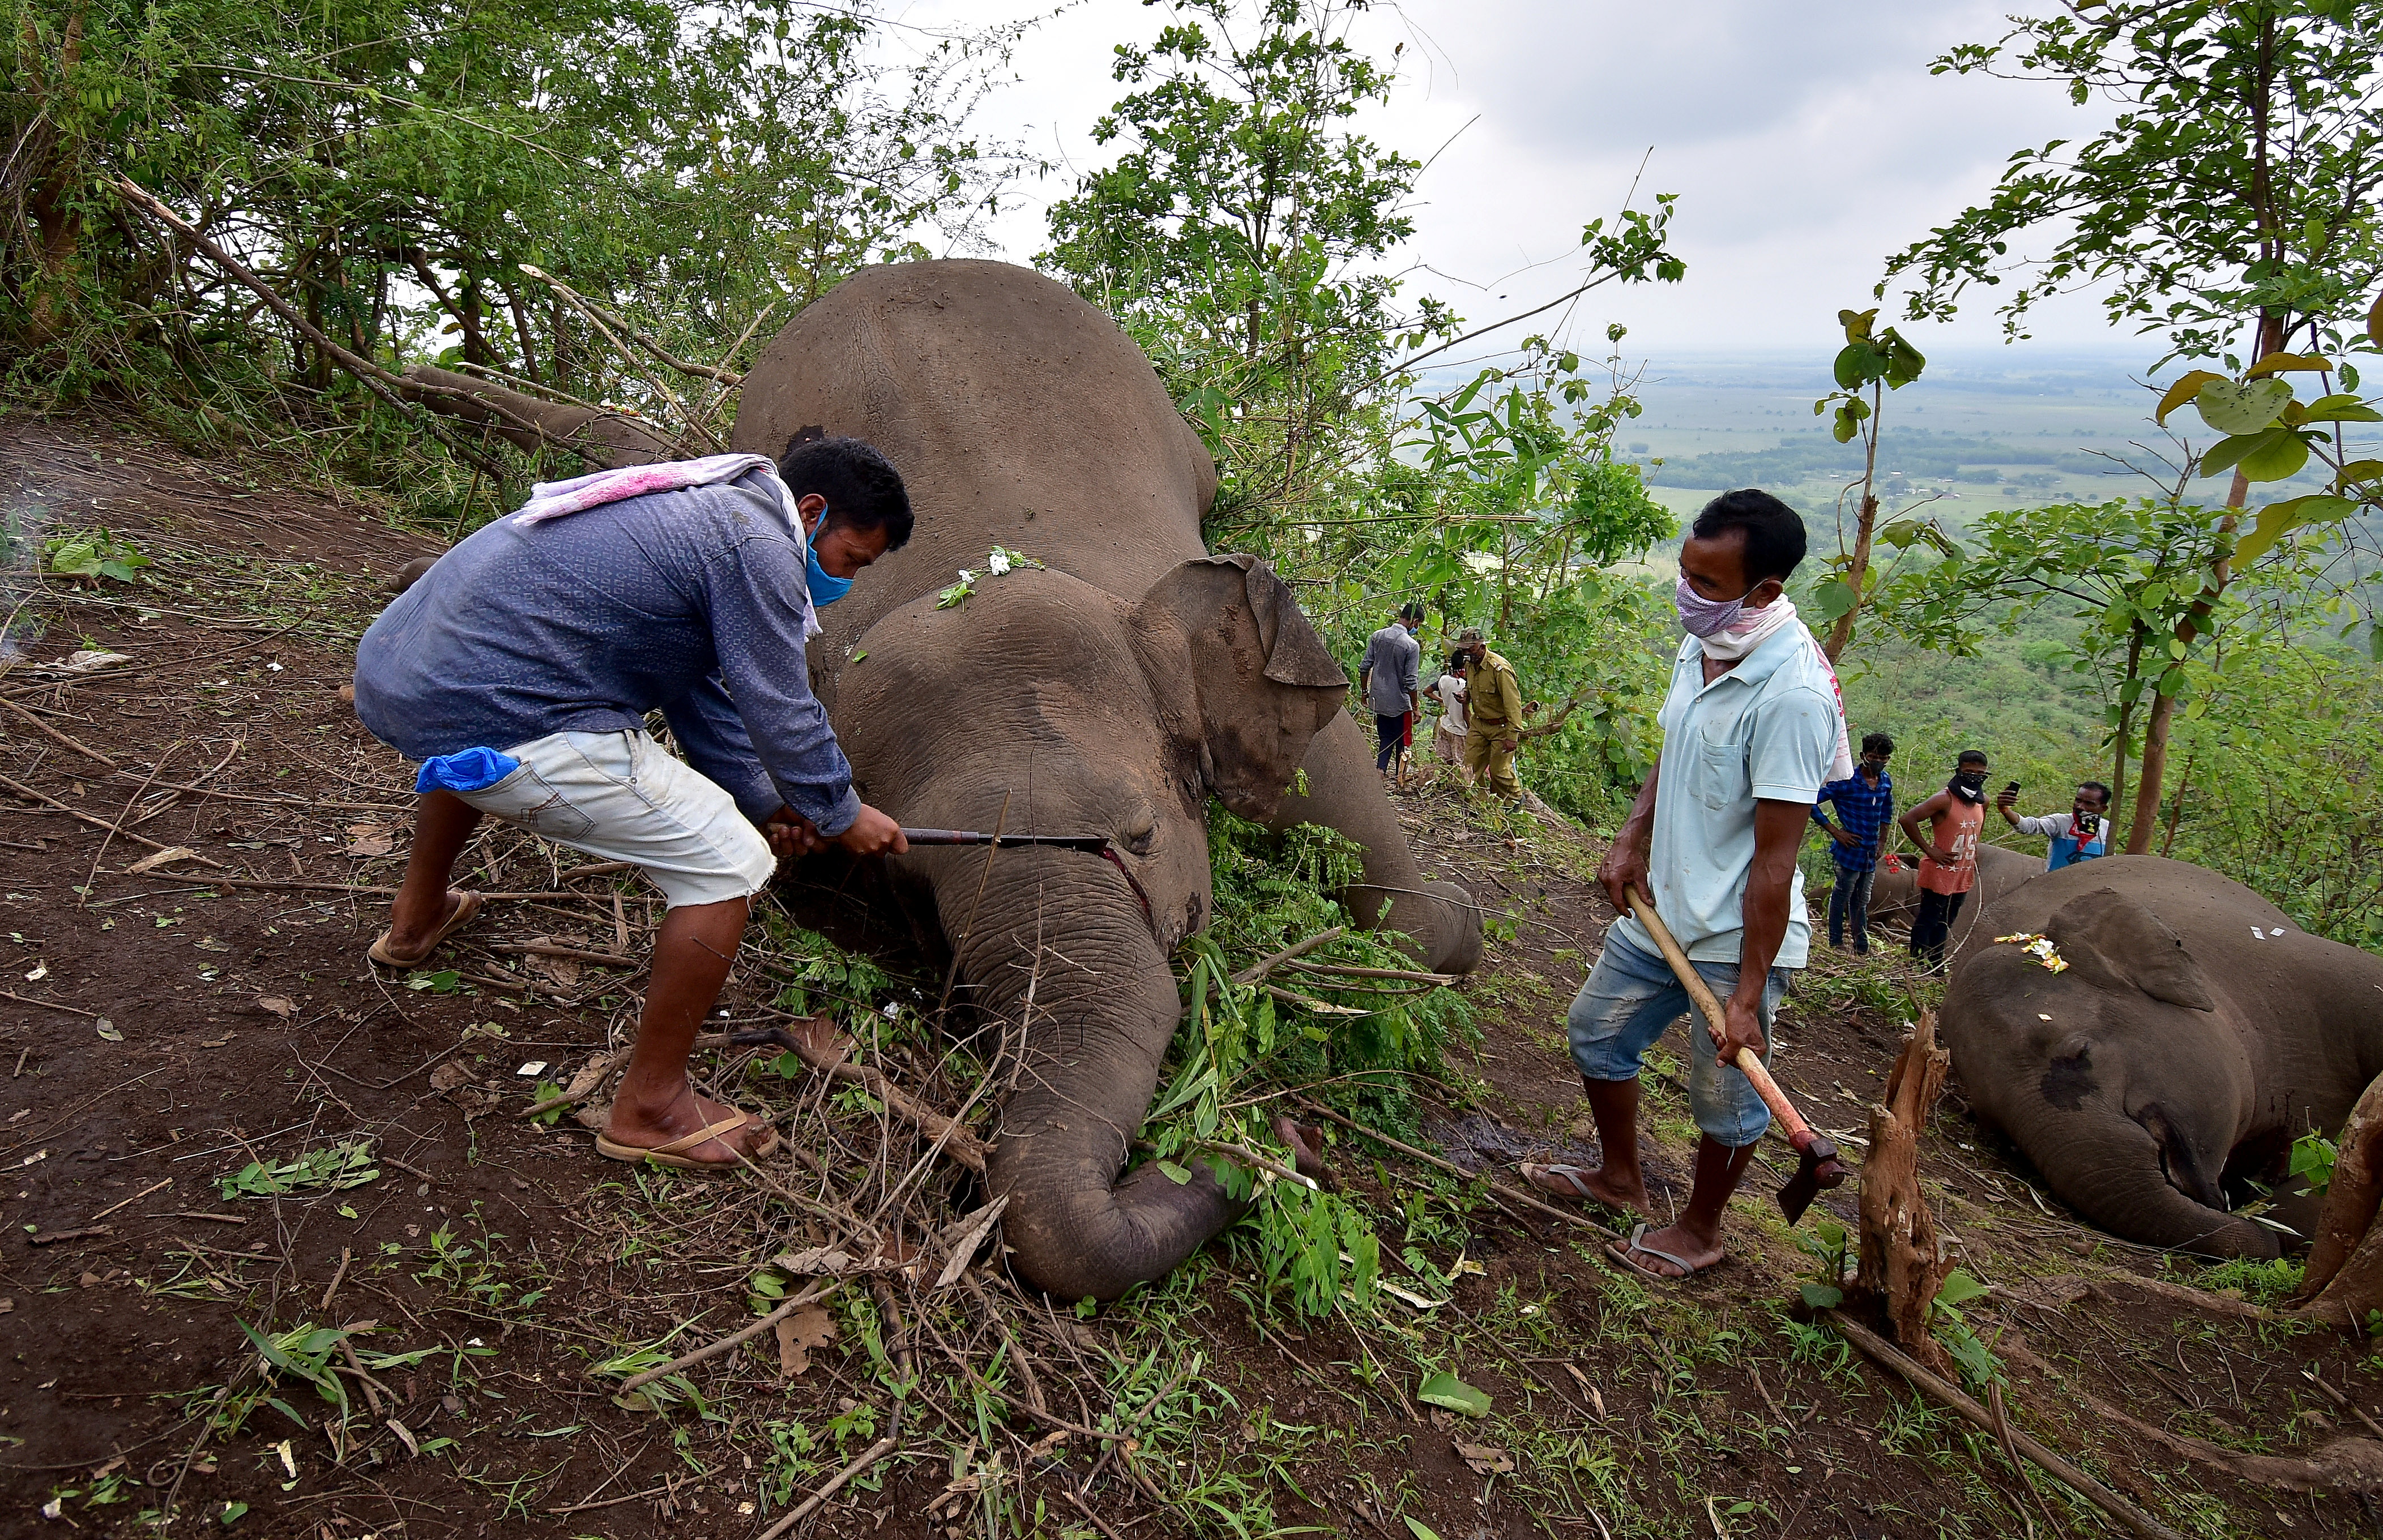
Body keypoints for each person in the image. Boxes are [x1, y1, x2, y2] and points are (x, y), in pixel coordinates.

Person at [352, 437, 913, 1171]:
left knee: (473, 750)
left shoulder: (698, 510)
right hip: (493, 701)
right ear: (812, 513)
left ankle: (415, 918)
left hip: (409, 676)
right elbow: (781, 709)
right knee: (730, 864)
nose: (844, 582)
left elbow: (701, 691)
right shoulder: (759, 542)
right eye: (851, 562)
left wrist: (772, 801)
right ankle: (651, 1107)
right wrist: (841, 812)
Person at [1521, 489, 1846, 1281]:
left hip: (1738, 938)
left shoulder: (1793, 697)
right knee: (1597, 1031)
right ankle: (1620, 1179)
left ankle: (1703, 1230)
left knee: (1726, 1099)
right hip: (1661, 908)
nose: (1686, 592)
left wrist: (1749, 993)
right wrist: (1632, 837)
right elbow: (1681, 743)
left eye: (1707, 582)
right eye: (1685, 571)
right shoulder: (1706, 640)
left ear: (1765, 591)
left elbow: (1775, 862)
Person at [1898, 750, 1990, 969]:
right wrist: (1930, 850)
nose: (1975, 777)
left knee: (1946, 921)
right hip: (1939, 871)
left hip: (1963, 872)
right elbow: (1907, 820)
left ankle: (1935, 965)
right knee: (1929, 918)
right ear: (1959, 771)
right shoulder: (1944, 799)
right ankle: (1917, 964)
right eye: (1969, 772)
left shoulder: (1982, 801)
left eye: (1981, 774)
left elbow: (1977, 829)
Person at [1811, 732, 1895, 953]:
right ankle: (1836, 943)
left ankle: (1861, 946)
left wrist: (1881, 843)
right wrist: (1835, 831)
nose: (1879, 761)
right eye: (1874, 756)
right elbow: (1811, 802)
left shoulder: (1885, 782)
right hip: (1849, 851)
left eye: (1884, 758)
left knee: (1862, 901)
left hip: (1869, 853)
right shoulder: (1846, 782)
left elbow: (1887, 813)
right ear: (1863, 756)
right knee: (1842, 896)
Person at [1453, 626, 1524, 802]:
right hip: (1479, 723)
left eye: (1471, 649)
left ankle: (1515, 802)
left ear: (1482, 646)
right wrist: (1465, 695)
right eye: (1464, 650)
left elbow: (1513, 703)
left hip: (1501, 726)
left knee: (1499, 771)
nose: (1467, 653)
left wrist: (1512, 736)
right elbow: (1471, 686)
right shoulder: (1469, 665)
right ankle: (1479, 803)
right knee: (1469, 767)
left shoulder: (1499, 669)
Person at [1360, 601, 1425, 776]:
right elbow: (1411, 682)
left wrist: (1365, 692)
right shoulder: (1411, 646)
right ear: (1415, 622)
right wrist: (1415, 707)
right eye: (1418, 625)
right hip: (1400, 703)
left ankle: (1380, 771)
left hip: (1379, 700)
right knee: (1402, 742)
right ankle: (1400, 779)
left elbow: (1364, 667)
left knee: (1386, 738)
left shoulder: (1378, 636)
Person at [1997, 780, 2111, 870]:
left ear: (2103, 809)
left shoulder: (2108, 829)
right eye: (2078, 801)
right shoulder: (2060, 822)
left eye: (2089, 804)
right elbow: (2027, 826)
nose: (2080, 806)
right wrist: (2005, 809)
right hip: (2055, 889)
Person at [1431, 651, 1470, 769]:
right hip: (1460, 730)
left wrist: (1443, 700)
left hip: (1446, 725)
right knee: (1460, 765)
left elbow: (1427, 691)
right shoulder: (1464, 686)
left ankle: (1447, 786)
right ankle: (1459, 787)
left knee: (1446, 763)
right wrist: (1472, 730)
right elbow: (1466, 712)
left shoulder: (1444, 680)